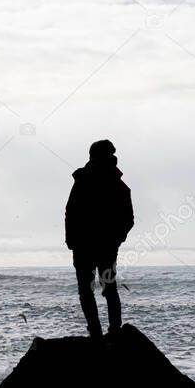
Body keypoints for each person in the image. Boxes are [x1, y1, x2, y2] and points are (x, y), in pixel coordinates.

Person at [64, 139, 134, 339]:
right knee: (101, 290)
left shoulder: (115, 185)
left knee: (100, 290)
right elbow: (70, 211)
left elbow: (128, 219)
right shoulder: (113, 184)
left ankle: (106, 331)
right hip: (89, 245)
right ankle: (104, 330)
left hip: (94, 245)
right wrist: (72, 240)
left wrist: (116, 239)